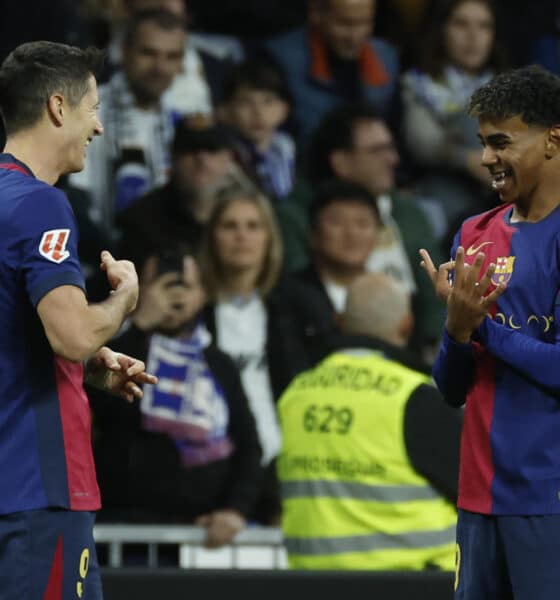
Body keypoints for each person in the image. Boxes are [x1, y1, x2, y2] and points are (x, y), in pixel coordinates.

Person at [0, 41, 157, 598]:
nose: (99, 129)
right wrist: (123, 304)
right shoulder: (41, 204)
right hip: (36, 492)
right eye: (93, 110)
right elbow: (70, 334)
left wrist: (88, 365)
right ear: (59, 108)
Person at [419, 64, 560, 599]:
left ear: (552, 139)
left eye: (501, 142)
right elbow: (452, 388)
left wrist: (479, 329)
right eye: (481, 143)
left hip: (549, 499)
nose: (485, 160)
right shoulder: (474, 234)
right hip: (478, 496)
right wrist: (457, 334)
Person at [277, 272, 461, 570]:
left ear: (339, 321)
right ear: (406, 325)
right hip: (414, 586)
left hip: (313, 585)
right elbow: (479, 489)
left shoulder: (296, 395)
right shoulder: (414, 397)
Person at [91, 255, 263, 549]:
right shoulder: (112, 351)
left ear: (203, 295)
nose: (175, 295)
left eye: (186, 285)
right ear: (139, 291)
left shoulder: (218, 363)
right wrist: (141, 321)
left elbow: (248, 444)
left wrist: (235, 509)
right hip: (122, 530)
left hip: (201, 534)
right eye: (162, 285)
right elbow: (98, 406)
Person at [198, 182, 336, 523]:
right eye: (229, 226)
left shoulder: (300, 306)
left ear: (269, 237)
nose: (241, 236)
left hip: (288, 465)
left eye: (253, 226)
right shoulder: (192, 313)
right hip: (215, 472)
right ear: (212, 237)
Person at [277, 103, 445, 357]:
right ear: (341, 162)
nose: (393, 159)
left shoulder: (407, 211)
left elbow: (437, 292)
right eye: (378, 151)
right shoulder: (297, 215)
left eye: (391, 148)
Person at [67, 9, 186, 238]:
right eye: (149, 53)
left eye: (171, 56)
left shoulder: (179, 121)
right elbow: (74, 200)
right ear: (124, 52)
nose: (159, 67)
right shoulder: (84, 108)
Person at [401, 0, 507, 237]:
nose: (473, 36)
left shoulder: (510, 84)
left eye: (483, 26)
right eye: (461, 24)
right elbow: (424, 144)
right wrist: (467, 160)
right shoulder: (420, 83)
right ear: (441, 30)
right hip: (446, 194)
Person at [264, 0, 399, 143]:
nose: (355, 36)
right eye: (344, 24)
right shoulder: (279, 60)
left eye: (365, 23)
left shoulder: (387, 57)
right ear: (316, 13)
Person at [295, 178, 380, 317]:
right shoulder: (288, 296)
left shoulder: (394, 295)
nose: (352, 234)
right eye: (337, 222)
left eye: (362, 223)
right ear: (313, 234)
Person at [219, 57, 296, 201]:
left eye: (268, 101)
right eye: (245, 102)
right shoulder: (220, 162)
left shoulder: (294, 155)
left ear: (284, 110)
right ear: (226, 111)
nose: (258, 112)